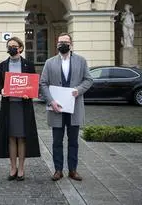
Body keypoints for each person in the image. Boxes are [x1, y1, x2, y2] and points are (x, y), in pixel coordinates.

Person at [40, 33, 93, 181]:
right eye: (60, 42)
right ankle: (58, 170)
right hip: (56, 109)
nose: (62, 44)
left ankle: (73, 170)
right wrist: (51, 101)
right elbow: (43, 83)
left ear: (71, 44)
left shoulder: (81, 61)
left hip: (74, 108)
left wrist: (79, 90)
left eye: (65, 42)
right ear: (57, 44)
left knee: (73, 141)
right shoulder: (49, 62)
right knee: (57, 141)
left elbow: (88, 80)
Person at [0, 37, 40, 181]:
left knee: (22, 137)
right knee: (10, 137)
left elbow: (33, 85)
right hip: (9, 106)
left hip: (23, 106)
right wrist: (1, 90)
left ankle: (21, 168)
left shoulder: (28, 64)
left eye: (14, 46)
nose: (11, 48)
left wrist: (30, 93)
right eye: (9, 46)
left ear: (20, 48)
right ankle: (12, 167)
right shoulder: (2, 65)